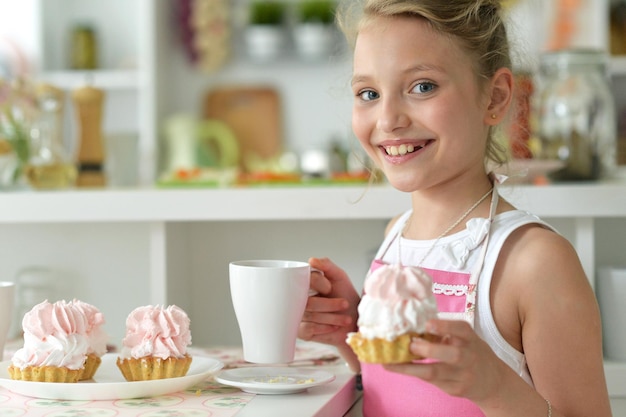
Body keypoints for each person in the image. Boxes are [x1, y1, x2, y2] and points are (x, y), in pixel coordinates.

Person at [298, 1, 613, 416]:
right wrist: (351, 331)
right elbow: (405, 394)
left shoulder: (536, 262)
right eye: (369, 93)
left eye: (422, 86)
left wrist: (495, 387)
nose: (388, 118)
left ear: (494, 97)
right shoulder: (397, 236)